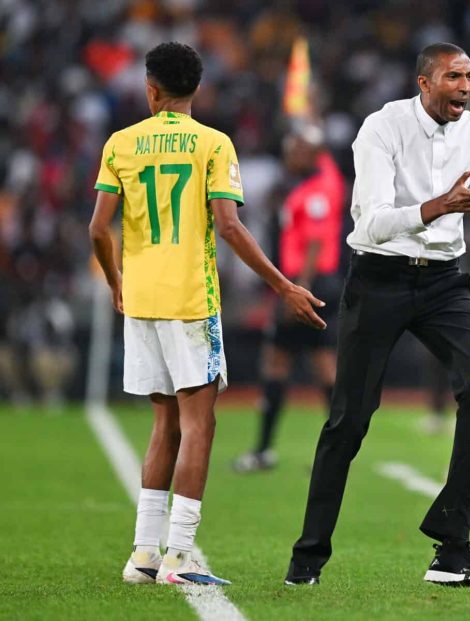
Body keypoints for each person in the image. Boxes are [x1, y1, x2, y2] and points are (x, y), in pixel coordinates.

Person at [284, 42, 470, 588]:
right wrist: (436, 207)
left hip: (444, 280)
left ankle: (452, 545)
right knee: (349, 421)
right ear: (424, 83)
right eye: (454, 77)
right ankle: (308, 557)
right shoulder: (382, 127)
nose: (466, 87)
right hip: (379, 278)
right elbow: (370, 224)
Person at [89, 42, 326, 587]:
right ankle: (179, 555)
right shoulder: (214, 144)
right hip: (191, 300)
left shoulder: (120, 143)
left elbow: (98, 228)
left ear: (151, 89)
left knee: (164, 423)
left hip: (141, 300)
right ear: (197, 89)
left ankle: (143, 554)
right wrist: (284, 285)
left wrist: (116, 280)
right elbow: (229, 225)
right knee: (200, 424)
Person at [233, 124, 345, 473]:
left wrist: (297, 290)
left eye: (297, 150)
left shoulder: (316, 191)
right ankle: (339, 450)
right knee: (320, 363)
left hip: (306, 284)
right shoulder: (321, 179)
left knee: (281, 362)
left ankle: (265, 449)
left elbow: (314, 243)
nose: (290, 155)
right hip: (313, 283)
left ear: (313, 154)